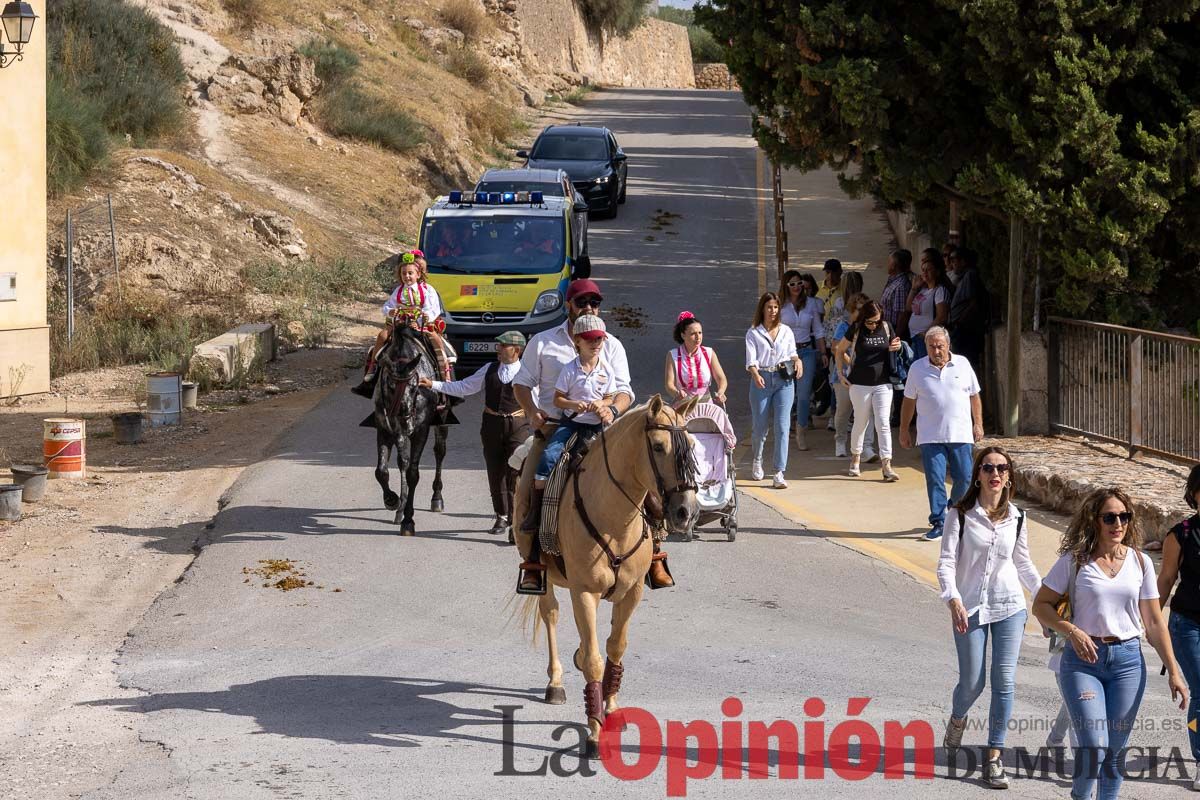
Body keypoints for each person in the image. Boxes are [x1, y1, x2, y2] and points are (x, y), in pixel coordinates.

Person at [512, 280, 673, 592]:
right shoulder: (543, 342)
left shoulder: (610, 344)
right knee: (532, 482)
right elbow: (522, 383)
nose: (588, 307)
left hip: (604, 430)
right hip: (557, 426)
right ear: (568, 305)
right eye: (582, 301)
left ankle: (655, 554)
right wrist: (532, 411)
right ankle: (533, 561)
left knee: (645, 478)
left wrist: (612, 410)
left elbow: (624, 391)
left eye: (594, 303)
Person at [1033, 487, 1187, 800]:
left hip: (1128, 661)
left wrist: (1173, 670)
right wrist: (1072, 631)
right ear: (1094, 520)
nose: (1118, 523)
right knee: (1094, 745)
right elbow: (1041, 605)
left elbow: (1155, 622)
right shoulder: (1074, 561)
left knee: (1114, 752)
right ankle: (1080, 795)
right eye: (1110, 517)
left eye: (1124, 516)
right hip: (1082, 660)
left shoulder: (1140, 563)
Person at [936, 446, 1041, 789]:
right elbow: (947, 561)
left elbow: (1022, 562)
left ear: (1009, 475)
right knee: (973, 682)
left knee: (1005, 681)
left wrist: (1046, 598)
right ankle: (958, 717)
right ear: (978, 475)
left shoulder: (1019, 517)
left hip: (1010, 605)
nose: (995, 473)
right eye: (988, 467)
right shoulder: (960, 514)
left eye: (1001, 467)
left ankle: (994, 757)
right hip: (969, 606)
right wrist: (952, 599)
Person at [420, 331, 529, 539]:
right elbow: (464, 387)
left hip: (518, 425)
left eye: (502, 346)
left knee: (516, 473)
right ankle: (501, 515)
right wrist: (433, 384)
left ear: (516, 350)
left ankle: (516, 521)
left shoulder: (527, 372)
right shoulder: (489, 369)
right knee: (495, 471)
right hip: (491, 424)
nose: (497, 349)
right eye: (498, 345)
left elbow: (540, 399)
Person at [526, 315, 615, 533]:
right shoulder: (569, 369)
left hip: (597, 426)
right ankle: (535, 512)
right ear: (578, 341)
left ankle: (652, 521)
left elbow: (611, 397)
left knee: (627, 456)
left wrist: (602, 404)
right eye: (590, 339)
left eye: (599, 339)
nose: (595, 344)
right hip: (572, 424)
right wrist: (575, 405)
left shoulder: (606, 370)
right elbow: (558, 399)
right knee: (548, 457)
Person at [899, 326, 983, 541]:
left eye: (940, 346)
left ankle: (951, 508)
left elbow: (974, 396)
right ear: (926, 347)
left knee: (964, 478)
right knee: (935, 479)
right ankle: (938, 520)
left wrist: (978, 424)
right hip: (930, 435)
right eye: (931, 346)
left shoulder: (963, 364)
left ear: (948, 346)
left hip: (961, 433)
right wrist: (904, 429)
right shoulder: (917, 368)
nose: (936, 351)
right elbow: (909, 401)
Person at [1155, 463, 1200, 788]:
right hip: (1188, 625)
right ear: (1195, 494)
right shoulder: (1181, 533)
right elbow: (1166, 580)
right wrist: (1151, 622)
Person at [352, 252, 448, 398]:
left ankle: (444, 374)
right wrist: (392, 312)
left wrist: (421, 321)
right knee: (382, 336)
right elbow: (387, 307)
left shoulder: (427, 290)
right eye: (404, 273)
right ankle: (373, 369)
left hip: (421, 326)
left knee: (436, 340)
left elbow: (432, 310)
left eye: (410, 273)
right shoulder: (398, 291)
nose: (407, 276)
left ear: (418, 274)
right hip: (400, 324)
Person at [836, 300, 901, 481]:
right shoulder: (856, 329)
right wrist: (841, 375)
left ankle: (887, 464)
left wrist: (898, 346)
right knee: (861, 421)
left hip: (883, 382)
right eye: (870, 322)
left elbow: (895, 345)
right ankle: (855, 459)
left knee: (883, 423)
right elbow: (839, 350)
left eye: (877, 321)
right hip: (859, 383)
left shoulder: (887, 327)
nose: (874, 325)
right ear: (863, 318)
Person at [745, 292, 800, 489]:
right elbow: (751, 361)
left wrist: (798, 361)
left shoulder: (786, 331)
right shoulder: (753, 332)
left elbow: (792, 354)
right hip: (762, 378)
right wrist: (755, 374)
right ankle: (757, 459)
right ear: (762, 309)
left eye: (775, 307)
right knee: (760, 427)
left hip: (784, 380)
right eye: (769, 307)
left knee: (783, 426)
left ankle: (778, 471)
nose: (772, 311)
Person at [779, 270, 825, 450]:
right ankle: (785, 427)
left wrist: (823, 352)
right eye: (792, 284)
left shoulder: (812, 304)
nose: (797, 287)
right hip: (786, 354)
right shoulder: (780, 305)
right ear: (786, 286)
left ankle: (800, 430)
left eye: (799, 283)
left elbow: (818, 329)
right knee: (786, 393)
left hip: (806, 351)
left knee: (804, 394)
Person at [830, 291, 876, 460]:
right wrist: (850, 362)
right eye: (857, 309)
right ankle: (840, 441)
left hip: (863, 377)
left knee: (866, 412)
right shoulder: (844, 326)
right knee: (843, 410)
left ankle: (866, 447)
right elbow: (836, 348)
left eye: (863, 309)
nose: (860, 313)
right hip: (843, 376)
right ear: (851, 310)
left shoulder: (869, 327)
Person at [664, 311, 728, 406]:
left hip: (707, 406)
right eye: (693, 333)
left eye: (700, 332)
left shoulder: (709, 352)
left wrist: (721, 392)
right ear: (683, 335)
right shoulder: (672, 355)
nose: (698, 337)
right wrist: (677, 393)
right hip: (683, 406)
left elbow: (721, 379)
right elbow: (669, 384)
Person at [947, 246, 989, 377]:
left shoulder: (970, 275)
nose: (952, 265)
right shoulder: (962, 278)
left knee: (966, 363)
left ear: (963, 262)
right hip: (961, 329)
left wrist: (959, 322)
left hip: (966, 331)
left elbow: (973, 303)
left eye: (954, 261)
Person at [905, 248, 952, 361]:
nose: (925, 273)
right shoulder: (923, 289)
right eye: (923, 270)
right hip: (915, 337)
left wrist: (926, 333)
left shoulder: (940, 290)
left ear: (937, 272)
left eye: (929, 270)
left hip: (927, 339)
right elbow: (908, 308)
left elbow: (942, 317)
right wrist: (914, 289)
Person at [880, 249, 915, 339]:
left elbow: (903, 315)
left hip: (894, 330)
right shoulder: (893, 279)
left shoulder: (900, 286)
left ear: (894, 265)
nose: (887, 264)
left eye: (889, 262)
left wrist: (895, 337)